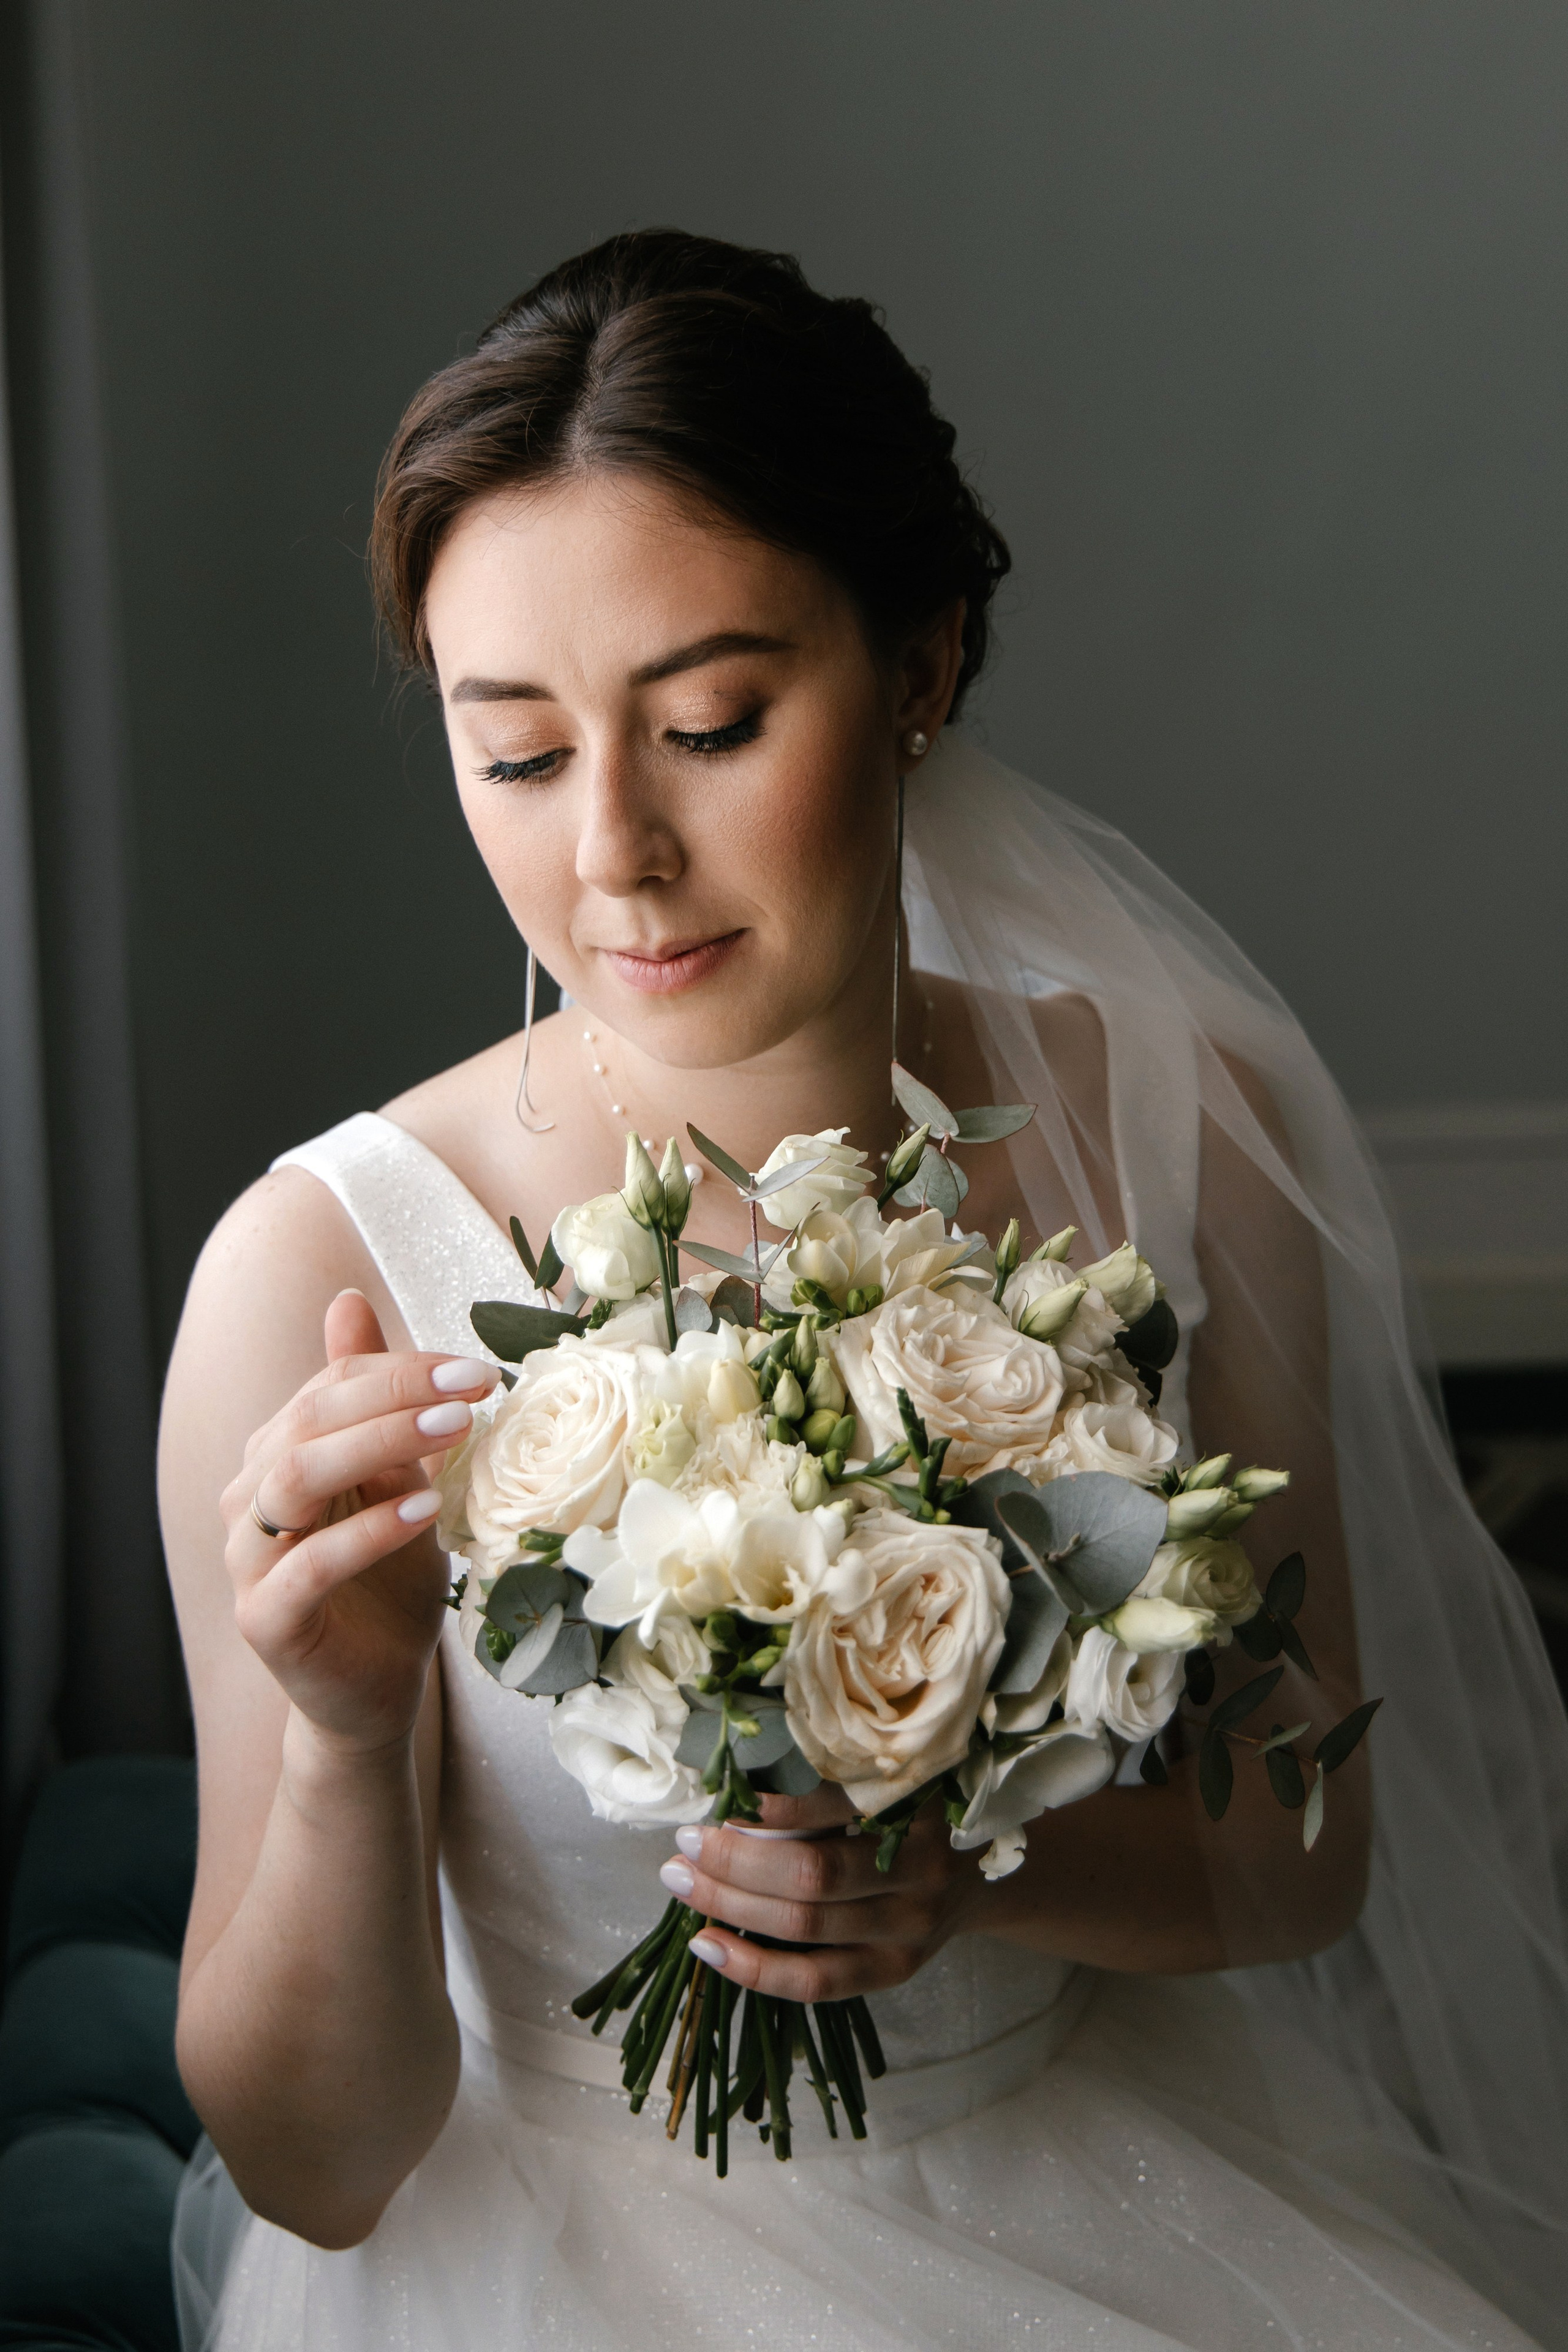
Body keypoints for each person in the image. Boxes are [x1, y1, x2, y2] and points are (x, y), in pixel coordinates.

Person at [160, 231, 1568, 2350]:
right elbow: (319, 2166)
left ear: (920, 667)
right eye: (519, 754)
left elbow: (1305, 1857)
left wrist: (970, 1869)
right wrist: (354, 1739)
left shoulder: (1185, 1128)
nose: (614, 851)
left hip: (1114, 2187)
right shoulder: (322, 1271)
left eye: (710, 721)